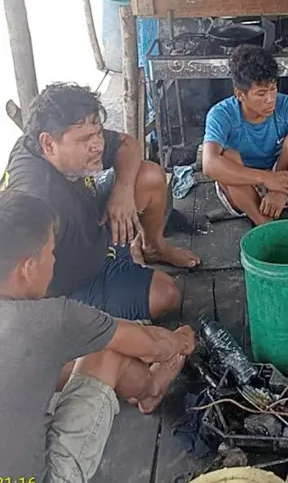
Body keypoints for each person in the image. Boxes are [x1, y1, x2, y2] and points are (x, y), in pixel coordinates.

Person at [0, 190, 195, 481]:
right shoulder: (53, 318)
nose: (54, 262)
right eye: (51, 253)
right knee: (106, 350)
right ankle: (151, 390)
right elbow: (152, 346)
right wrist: (181, 340)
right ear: (27, 268)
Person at [1, 83, 200, 321]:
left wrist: (123, 190)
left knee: (149, 176)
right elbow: (19, 284)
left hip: (92, 226)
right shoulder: (38, 200)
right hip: (72, 282)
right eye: (85, 139)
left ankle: (151, 247)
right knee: (166, 295)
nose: (98, 145)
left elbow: (126, 143)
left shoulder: (38, 143)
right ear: (49, 144)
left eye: (98, 133)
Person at [202, 45, 288, 226]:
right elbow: (209, 165)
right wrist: (266, 179)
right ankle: (266, 226)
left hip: (281, 176)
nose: (270, 99)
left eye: (273, 89)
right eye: (261, 93)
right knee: (228, 156)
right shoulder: (221, 114)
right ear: (240, 94)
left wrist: (282, 189)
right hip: (241, 188)